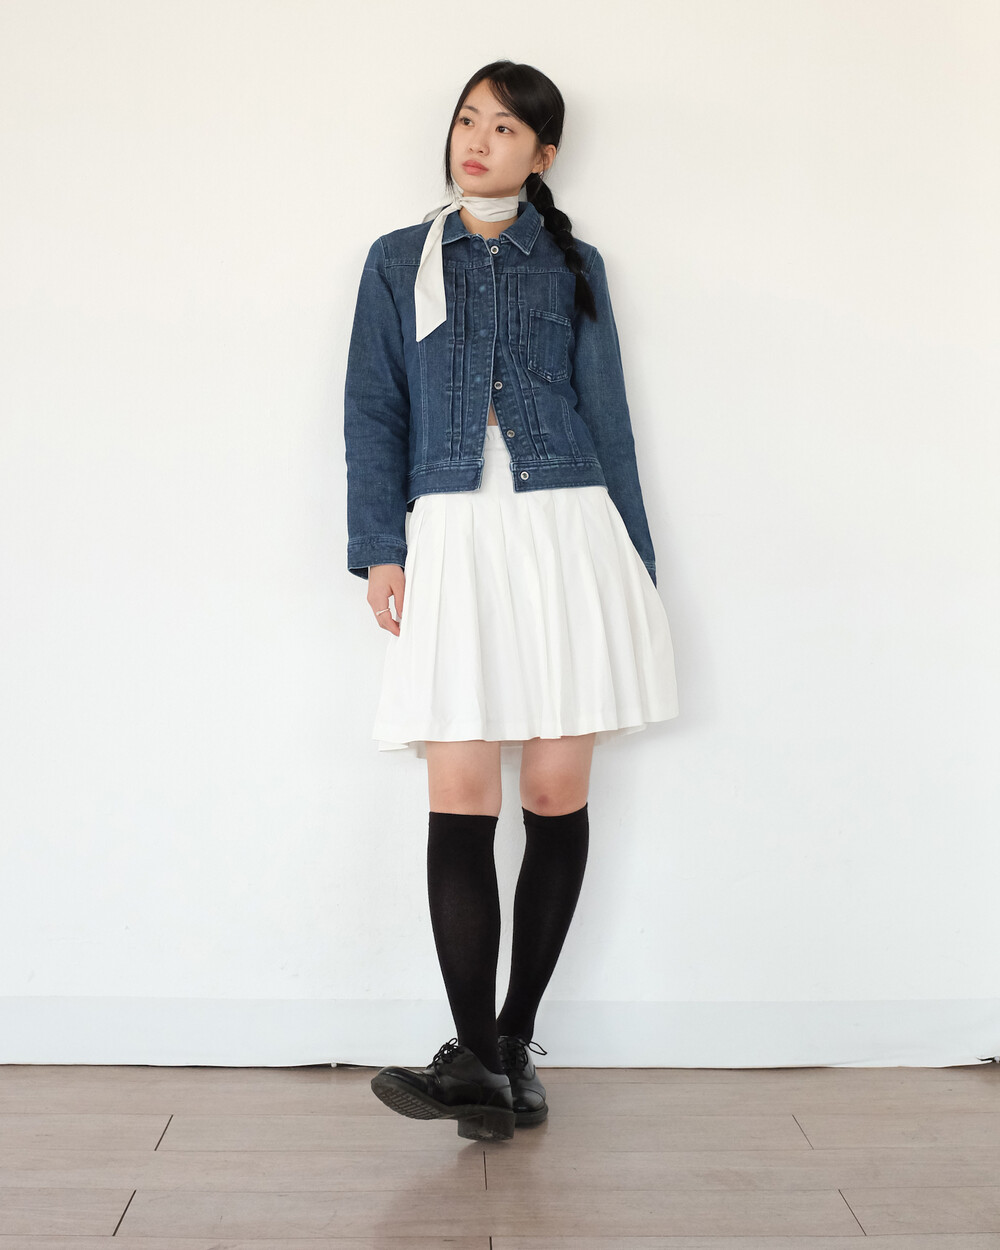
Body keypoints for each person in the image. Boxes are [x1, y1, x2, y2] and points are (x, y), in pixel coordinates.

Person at [343, 61, 679, 1142]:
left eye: (502, 127)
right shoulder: (398, 260)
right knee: (459, 791)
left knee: (549, 790)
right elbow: (372, 409)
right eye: (465, 120)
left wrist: (636, 566)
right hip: (452, 533)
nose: (475, 141)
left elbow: (608, 415)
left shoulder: (574, 264)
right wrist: (378, 548)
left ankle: (510, 1044)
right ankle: (475, 1059)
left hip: (569, 530)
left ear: (543, 154)